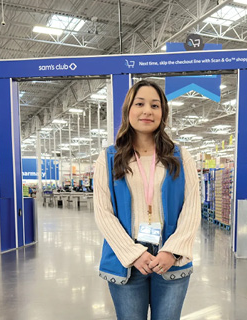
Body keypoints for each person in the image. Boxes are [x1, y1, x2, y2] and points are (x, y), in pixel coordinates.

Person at [94, 80, 201, 320]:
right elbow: (103, 213)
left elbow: (192, 208)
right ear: (128, 110)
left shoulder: (180, 156)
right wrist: (133, 253)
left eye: (155, 105)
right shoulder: (109, 158)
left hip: (169, 258)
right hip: (128, 261)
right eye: (140, 103)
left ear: (163, 113)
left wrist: (172, 251)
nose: (147, 111)